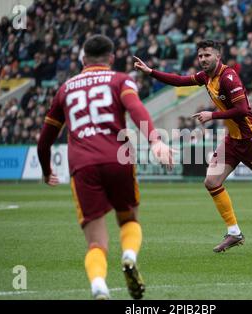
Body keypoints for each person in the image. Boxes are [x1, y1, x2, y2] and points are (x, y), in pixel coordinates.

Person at [134, 39, 252, 253]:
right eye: (200, 56)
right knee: (211, 181)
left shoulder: (229, 77)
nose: (203, 59)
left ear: (218, 56)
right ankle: (234, 232)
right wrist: (150, 71)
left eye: (207, 55)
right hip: (232, 140)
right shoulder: (206, 77)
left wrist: (212, 114)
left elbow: (242, 110)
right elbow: (179, 81)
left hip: (251, 139)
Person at [37, 35, 173, 300]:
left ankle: (99, 286)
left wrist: (45, 169)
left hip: (83, 166)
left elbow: (45, 139)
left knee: (96, 242)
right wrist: (155, 141)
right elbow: (136, 109)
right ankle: (129, 256)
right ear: (111, 59)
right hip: (118, 159)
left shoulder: (65, 88)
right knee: (129, 219)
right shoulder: (120, 80)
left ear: (83, 59)